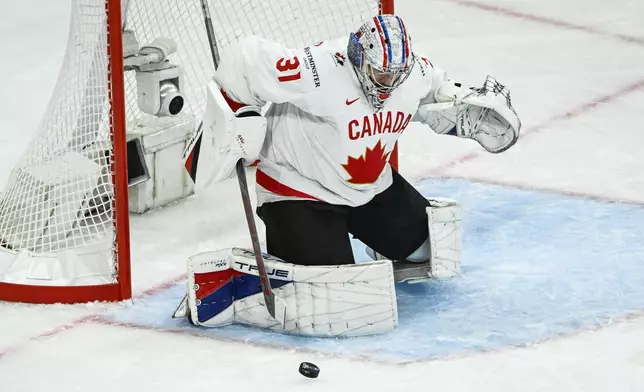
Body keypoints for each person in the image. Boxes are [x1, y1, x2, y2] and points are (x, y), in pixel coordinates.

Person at [205, 14, 521, 268]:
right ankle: (260, 273)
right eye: (382, 74)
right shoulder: (319, 70)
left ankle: (359, 238)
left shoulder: (411, 72)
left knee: (429, 248)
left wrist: (464, 112)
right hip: (301, 192)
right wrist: (235, 114)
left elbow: (431, 96)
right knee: (334, 294)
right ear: (358, 55)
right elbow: (246, 58)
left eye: (396, 75)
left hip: (368, 189)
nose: (390, 83)